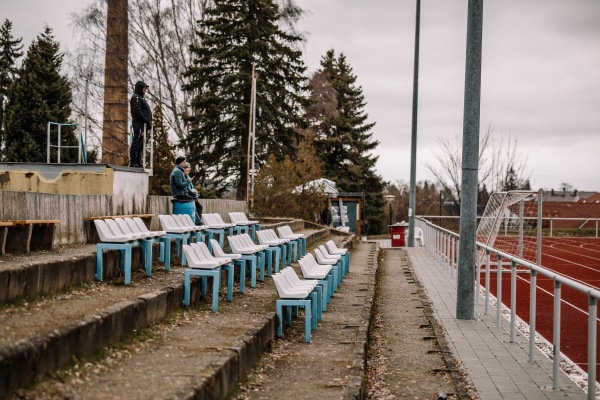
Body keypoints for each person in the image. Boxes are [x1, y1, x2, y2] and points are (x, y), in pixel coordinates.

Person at [129, 80, 152, 168]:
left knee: (140, 144)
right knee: (137, 142)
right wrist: (145, 120)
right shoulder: (136, 98)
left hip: (143, 125)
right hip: (139, 124)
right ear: (140, 88)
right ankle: (133, 161)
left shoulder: (140, 97)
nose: (145, 90)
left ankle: (137, 161)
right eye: (144, 88)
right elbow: (137, 111)